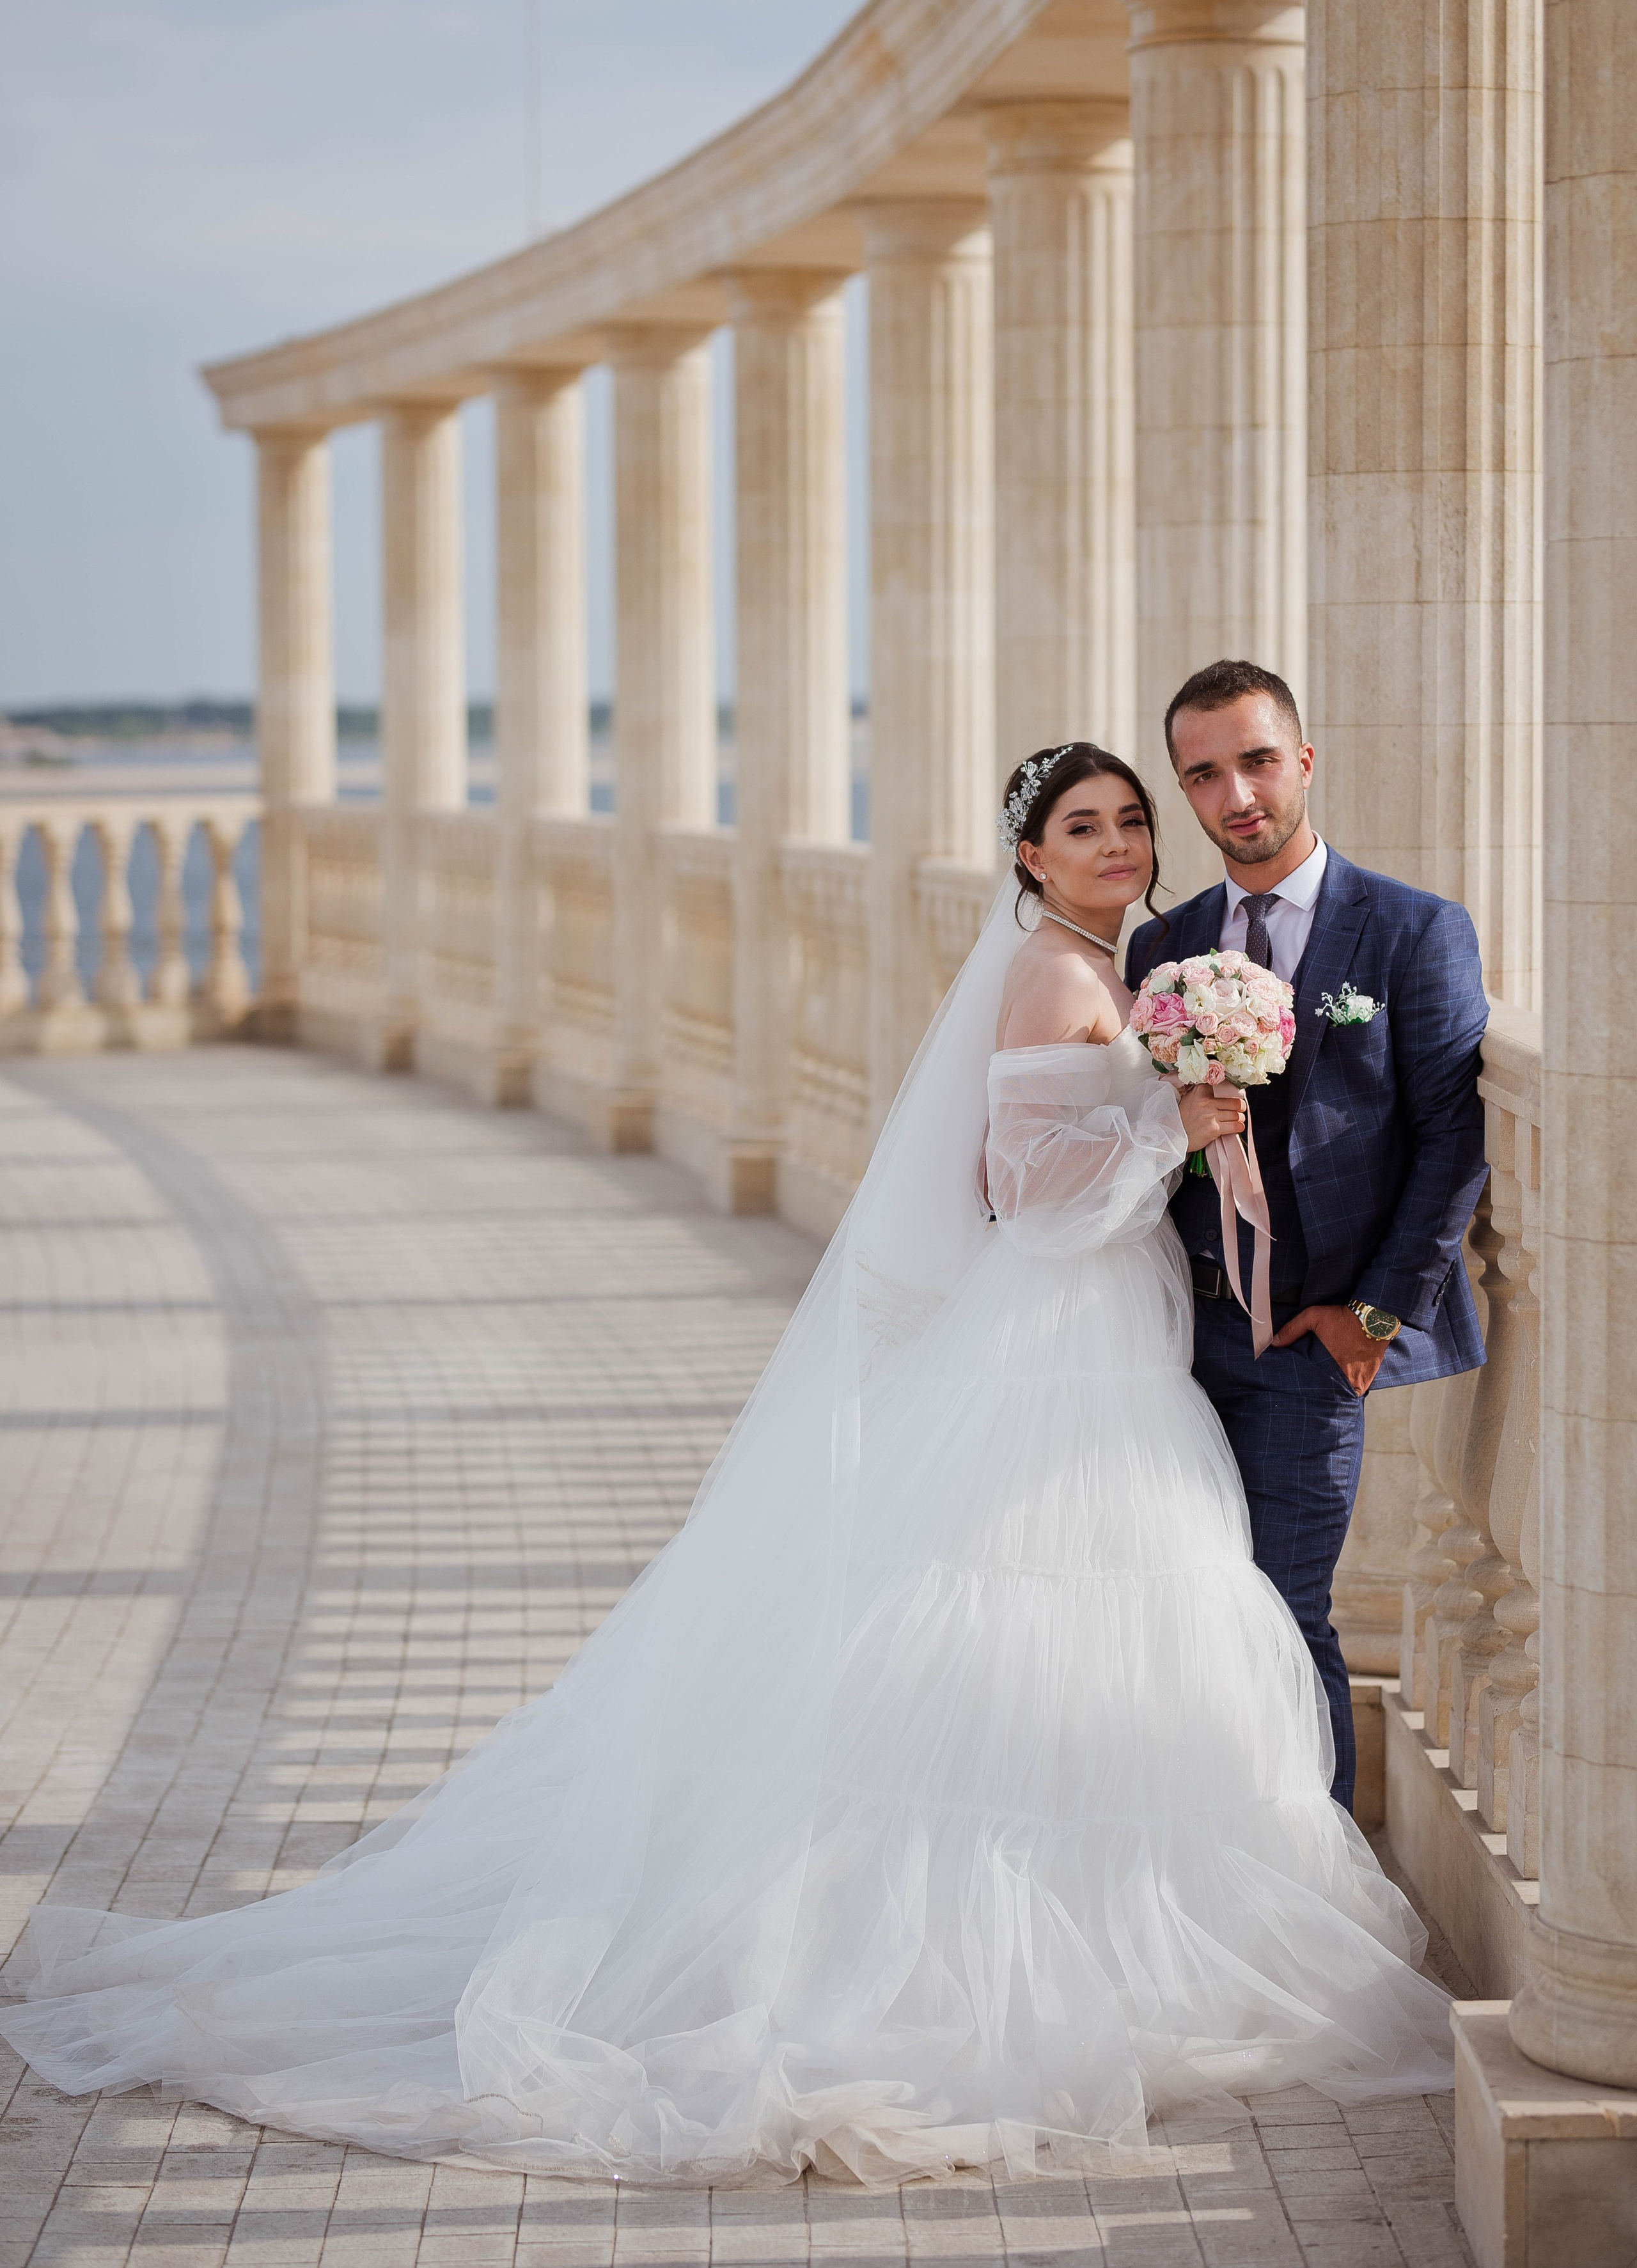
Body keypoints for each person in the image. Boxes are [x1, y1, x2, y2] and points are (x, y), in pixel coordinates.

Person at [0, 741, 1454, 2187]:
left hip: (1111, 1328)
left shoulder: (1110, 960)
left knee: (1120, 1613)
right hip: (1056, 1333)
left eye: (1132, 821)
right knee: (1016, 1606)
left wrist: (1164, 1106)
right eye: (1084, 827)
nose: (1119, 845)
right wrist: (1169, 1128)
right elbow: (1024, 1193)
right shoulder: (1058, 976)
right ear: (1028, 856)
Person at [1125, 662, 1489, 1814]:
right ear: (1184, 790)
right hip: (1170, 1345)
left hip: (1310, 1345)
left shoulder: (1413, 932)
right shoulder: (1161, 949)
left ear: (1305, 761)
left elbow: (1453, 1142)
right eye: (1204, 773)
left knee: (1285, 1613)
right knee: (1175, 1612)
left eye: (1258, 760)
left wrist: (1375, 1314)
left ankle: (1323, 1880)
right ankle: (1207, 1854)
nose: (1237, 792)